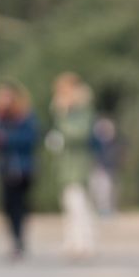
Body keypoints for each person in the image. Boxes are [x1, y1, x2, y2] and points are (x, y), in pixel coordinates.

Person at [0, 83, 38, 260]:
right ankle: (14, 241)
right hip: (6, 168)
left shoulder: (24, 117)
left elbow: (30, 139)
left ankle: (19, 240)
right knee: (7, 205)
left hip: (23, 168)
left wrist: (7, 139)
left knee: (20, 205)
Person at [48, 72, 97, 260]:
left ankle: (85, 242)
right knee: (69, 204)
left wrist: (62, 116)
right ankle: (72, 241)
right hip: (66, 164)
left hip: (78, 164)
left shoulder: (81, 109)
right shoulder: (68, 110)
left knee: (79, 205)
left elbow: (80, 133)